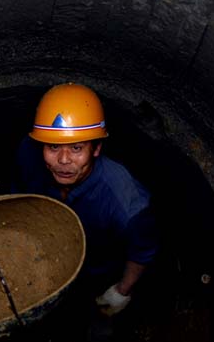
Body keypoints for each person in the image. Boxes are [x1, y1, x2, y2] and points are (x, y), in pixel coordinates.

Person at [11, 82, 159, 324]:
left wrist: (122, 291)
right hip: (44, 254)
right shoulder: (28, 154)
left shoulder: (126, 201)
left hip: (95, 270)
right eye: (53, 147)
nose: (63, 160)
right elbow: (18, 193)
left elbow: (143, 250)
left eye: (77, 148)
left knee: (93, 319)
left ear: (96, 148)